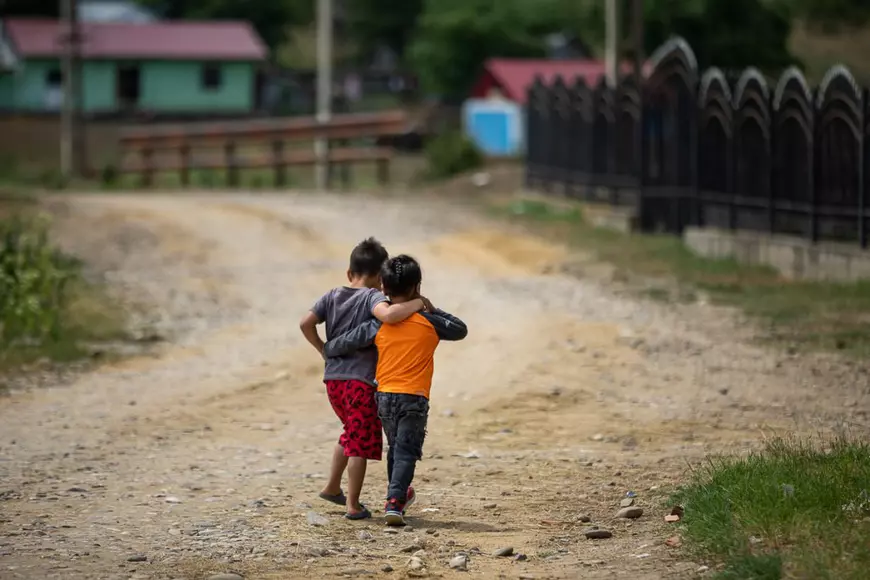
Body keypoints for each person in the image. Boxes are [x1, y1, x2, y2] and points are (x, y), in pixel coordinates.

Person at [323, 255, 468, 526]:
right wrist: (428, 307)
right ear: (417, 286)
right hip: (414, 396)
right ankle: (395, 501)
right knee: (405, 451)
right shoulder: (429, 321)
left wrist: (326, 350)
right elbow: (460, 329)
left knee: (396, 449)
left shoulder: (377, 323)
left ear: (384, 288)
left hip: (384, 398)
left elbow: (337, 345)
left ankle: (398, 495)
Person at [299, 238, 429, 520]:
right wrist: (419, 303)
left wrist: (323, 350)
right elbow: (391, 316)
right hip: (360, 382)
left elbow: (305, 323)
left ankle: (333, 487)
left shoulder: (331, 295)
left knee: (350, 431)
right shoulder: (372, 297)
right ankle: (353, 505)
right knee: (359, 441)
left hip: (333, 381)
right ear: (380, 280)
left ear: (349, 272)